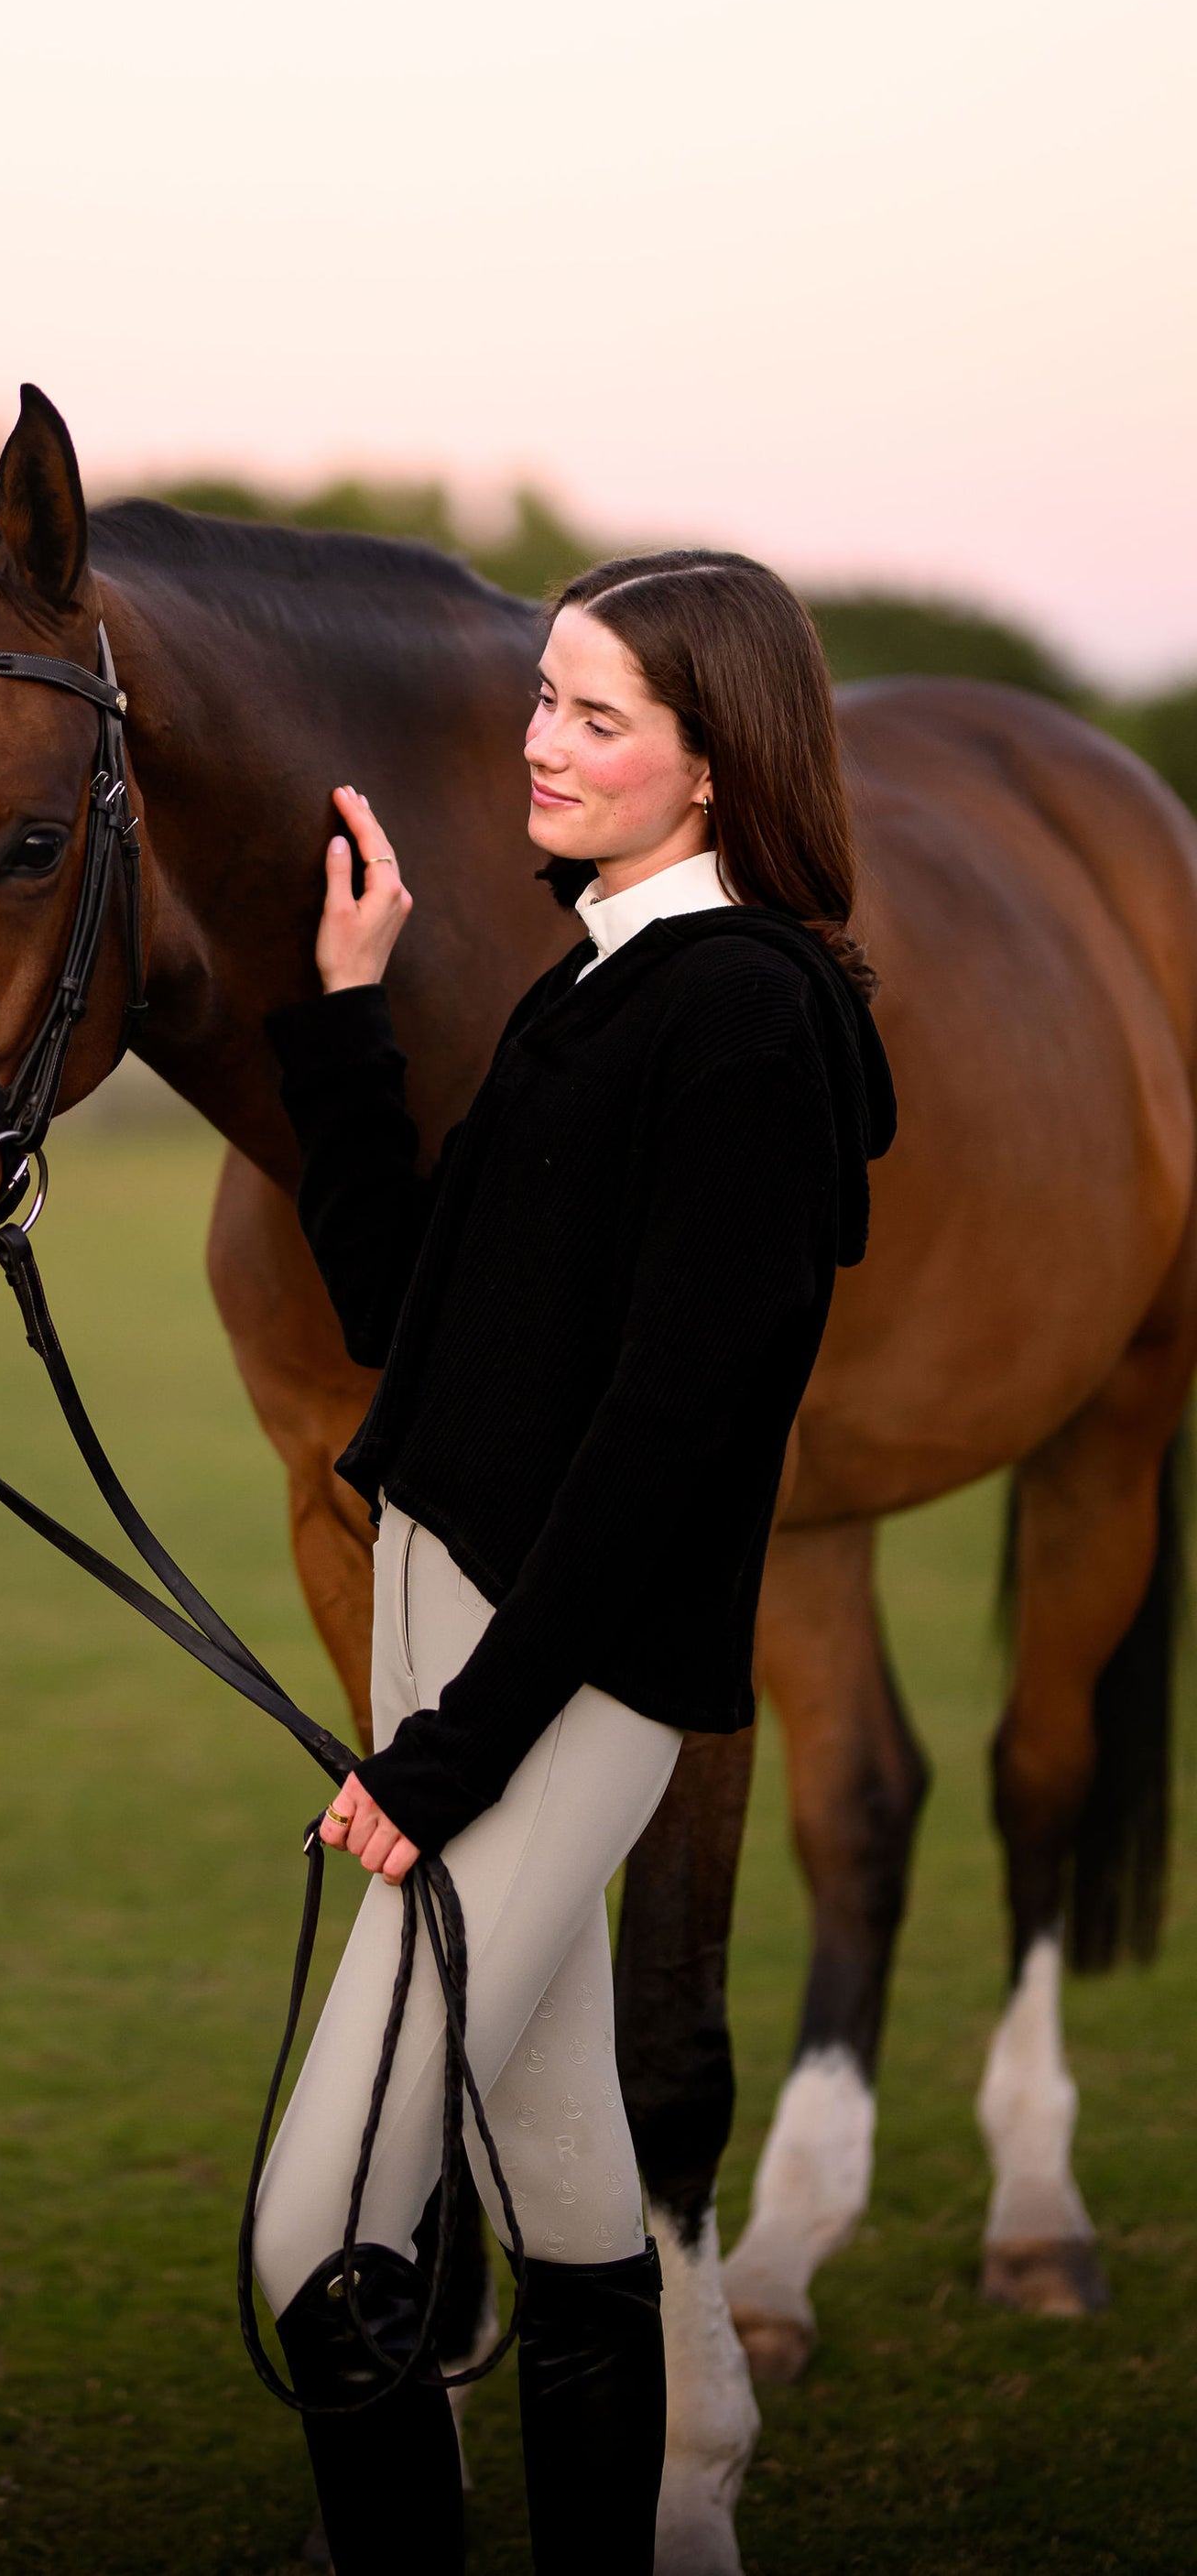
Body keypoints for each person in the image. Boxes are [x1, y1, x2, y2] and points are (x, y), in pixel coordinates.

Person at [250, 551, 897, 2573]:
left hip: (554, 1686)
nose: (539, 742)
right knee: (568, 2192)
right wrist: (344, 1014)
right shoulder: (597, 981)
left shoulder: (747, 1022)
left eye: (595, 716)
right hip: (463, 1646)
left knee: (317, 2232)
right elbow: (405, 1317)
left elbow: (666, 1448)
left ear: (714, 766)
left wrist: (451, 1753)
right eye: (544, 696)